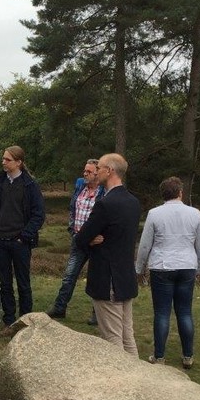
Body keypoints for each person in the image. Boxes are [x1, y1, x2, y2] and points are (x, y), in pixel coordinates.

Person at [135, 176, 200, 368]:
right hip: (187, 265)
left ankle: (159, 357)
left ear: (163, 194)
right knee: (184, 312)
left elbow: (145, 244)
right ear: (180, 193)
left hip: (162, 266)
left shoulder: (154, 213)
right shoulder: (194, 213)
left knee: (162, 313)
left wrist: (139, 268)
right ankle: (188, 356)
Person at [75, 153, 141, 357]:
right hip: (126, 276)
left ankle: (125, 386)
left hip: (108, 278)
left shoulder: (106, 203)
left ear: (110, 171)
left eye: (100, 168)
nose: (96, 172)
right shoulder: (133, 201)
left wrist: (89, 238)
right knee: (127, 335)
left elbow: (80, 237)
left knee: (112, 340)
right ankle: (141, 382)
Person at [0, 145, 45, 339]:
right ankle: (9, 321)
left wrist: (24, 236)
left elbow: (38, 214)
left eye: (7, 159)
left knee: (23, 283)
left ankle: (26, 322)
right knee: (5, 283)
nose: (3, 162)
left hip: (20, 242)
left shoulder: (30, 185)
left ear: (18, 162)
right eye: (3, 158)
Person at [46, 158, 105, 323]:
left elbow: (106, 216)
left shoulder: (104, 192)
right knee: (69, 275)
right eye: (84, 171)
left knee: (97, 278)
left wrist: (101, 235)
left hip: (96, 243)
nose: (85, 174)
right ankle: (59, 307)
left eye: (89, 172)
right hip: (78, 240)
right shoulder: (80, 186)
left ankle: (97, 314)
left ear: (97, 174)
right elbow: (72, 209)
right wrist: (72, 230)